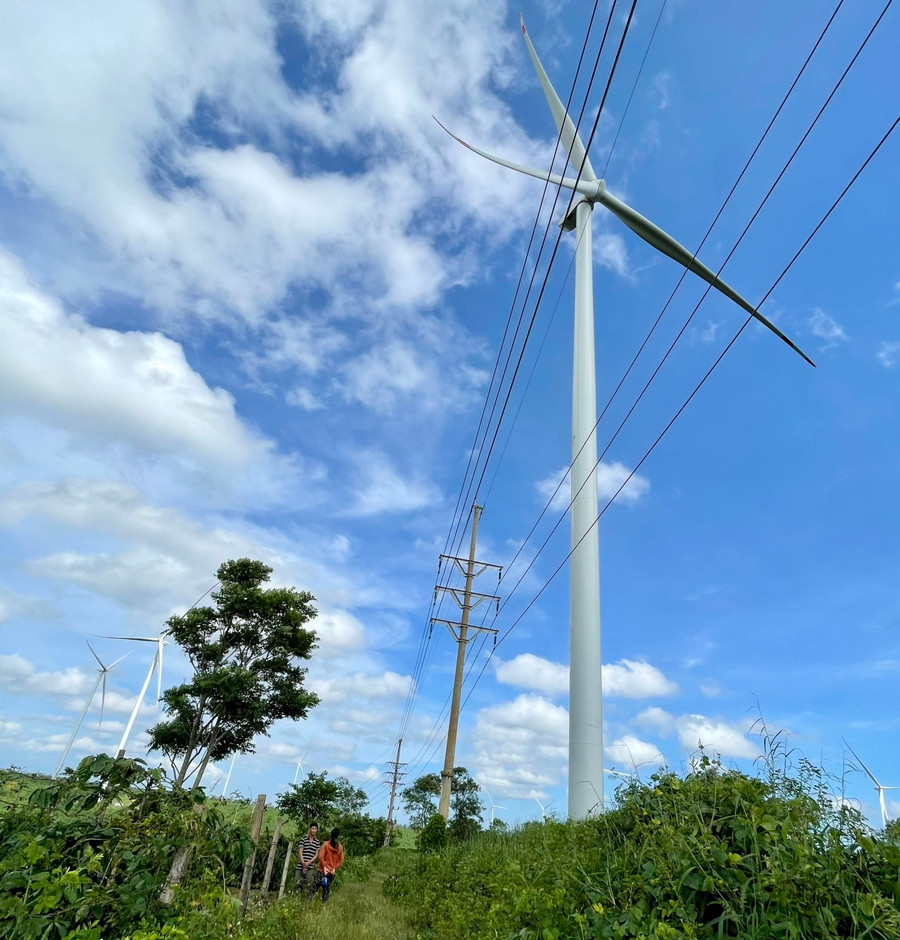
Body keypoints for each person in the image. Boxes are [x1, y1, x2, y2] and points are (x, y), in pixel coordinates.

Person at [308, 827, 344, 903]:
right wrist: (334, 868)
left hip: (322, 870)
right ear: (338, 836)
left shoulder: (326, 844)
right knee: (326, 890)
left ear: (331, 835)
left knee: (314, 888)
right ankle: (324, 907)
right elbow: (341, 860)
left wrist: (324, 867)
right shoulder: (340, 847)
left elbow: (321, 857)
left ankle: (307, 903)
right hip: (331, 872)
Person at [294, 822, 320, 894]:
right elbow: (300, 852)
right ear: (310, 829)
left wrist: (308, 863)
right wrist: (303, 863)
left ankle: (307, 897)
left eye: (315, 829)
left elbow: (316, 854)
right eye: (312, 828)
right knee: (296, 882)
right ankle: (296, 895)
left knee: (309, 882)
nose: (314, 830)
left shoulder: (317, 842)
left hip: (310, 866)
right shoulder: (304, 839)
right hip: (300, 865)